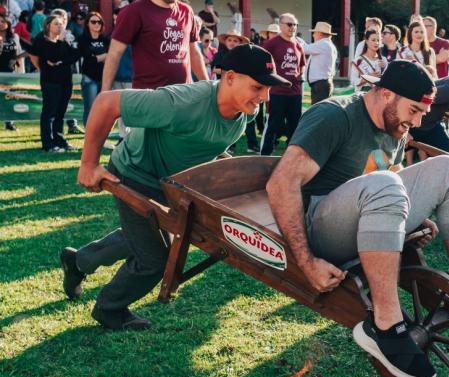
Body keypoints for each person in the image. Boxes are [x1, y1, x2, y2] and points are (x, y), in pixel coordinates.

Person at [265, 59, 449, 377]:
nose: (418, 122)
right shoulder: (334, 115)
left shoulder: (395, 126)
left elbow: (386, 174)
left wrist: (408, 212)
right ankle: (385, 325)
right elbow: (281, 184)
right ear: (386, 93)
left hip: (363, 215)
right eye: (414, 110)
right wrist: (306, 262)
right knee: (385, 185)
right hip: (321, 230)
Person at [61, 45, 289, 329]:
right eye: (257, 87)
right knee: (155, 258)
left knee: (147, 237)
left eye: (267, 88)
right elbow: (107, 103)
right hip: (135, 172)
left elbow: (207, 142)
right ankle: (109, 309)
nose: (264, 97)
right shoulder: (181, 102)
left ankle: (77, 261)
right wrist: (88, 165)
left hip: (172, 182)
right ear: (230, 77)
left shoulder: (246, 112)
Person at [101, 0, 207, 92]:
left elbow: (194, 53)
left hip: (184, 96)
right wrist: (104, 93)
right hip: (149, 99)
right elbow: (114, 54)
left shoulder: (186, 11)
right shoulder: (135, 11)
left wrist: (207, 86)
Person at [29, 14, 79, 152]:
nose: (59, 26)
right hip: (50, 81)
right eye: (56, 24)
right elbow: (52, 56)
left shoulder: (64, 41)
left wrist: (62, 61)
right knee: (49, 112)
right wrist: (59, 55)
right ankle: (48, 144)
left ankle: (60, 140)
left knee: (61, 112)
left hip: (65, 80)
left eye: (61, 24)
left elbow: (75, 55)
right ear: (48, 25)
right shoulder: (42, 40)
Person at [260, 13, 306, 155]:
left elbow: (301, 66)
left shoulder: (298, 45)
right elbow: (261, 61)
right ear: (281, 25)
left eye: (295, 24)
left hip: (295, 94)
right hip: (277, 92)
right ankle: (264, 156)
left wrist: (298, 81)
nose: (293, 27)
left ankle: (290, 158)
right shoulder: (272, 43)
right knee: (273, 126)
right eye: (289, 24)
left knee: (295, 128)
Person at [78, 12, 111, 127]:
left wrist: (98, 57)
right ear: (87, 24)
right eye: (93, 21)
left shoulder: (105, 40)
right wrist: (104, 56)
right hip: (89, 77)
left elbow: (112, 57)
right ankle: (89, 132)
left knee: (103, 107)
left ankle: (99, 131)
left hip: (105, 77)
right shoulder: (83, 39)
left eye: (99, 22)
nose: (97, 24)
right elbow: (88, 59)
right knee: (90, 106)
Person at [304, 21, 338, 104]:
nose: (313, 35)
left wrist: (295, 39)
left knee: (318, 112)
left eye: (314, 33)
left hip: (320, 84)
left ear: (319, 33)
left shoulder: (323, 44)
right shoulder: (326, 44)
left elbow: (304, 49)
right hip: (322, 84)